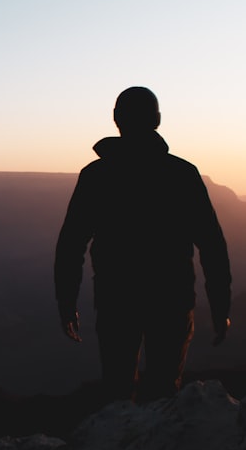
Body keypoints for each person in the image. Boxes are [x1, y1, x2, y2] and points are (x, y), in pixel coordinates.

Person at [54, 87, 231, 403]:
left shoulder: (96, 175)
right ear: (158, 120)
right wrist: (220, 304)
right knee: (165, 393)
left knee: (117, 391)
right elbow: (211, 244)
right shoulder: (182, 174)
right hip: (172, 298)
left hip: (115, 298)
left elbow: (72, 243)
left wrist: (66, 299)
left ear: (116, 120)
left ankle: (115, 449)